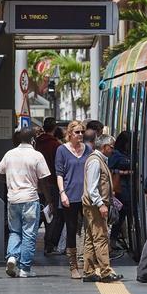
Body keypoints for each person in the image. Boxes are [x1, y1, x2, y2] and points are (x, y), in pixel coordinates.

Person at [0, 126, 50, 278]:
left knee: (15, 231)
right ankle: (25, 269)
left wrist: (10, 181)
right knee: (28, 234)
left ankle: (12, 257)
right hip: (30, 199)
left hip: (13, 199)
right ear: (33, 140)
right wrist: (50, 200)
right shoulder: (37, 155)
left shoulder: (9, 154)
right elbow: (44, 180)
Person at [82, 135, 123, 283]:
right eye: (111, 147)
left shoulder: (97, 160)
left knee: (90, 238)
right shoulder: (95, 161)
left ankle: (89, 271)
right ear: (104, 147)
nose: (112, 150)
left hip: (92, 206)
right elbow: (92, 188)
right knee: (101, 238)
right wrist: (101, 204)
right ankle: (105, 272)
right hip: (94, 206)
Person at [55, 121, 90, 279]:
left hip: (86, 195)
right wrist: (62, 193)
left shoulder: (88, 149)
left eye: (82, 132)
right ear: (70, 134)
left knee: (88, 229)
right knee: (71, 229)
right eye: (77, 132)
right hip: (70, 194)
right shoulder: (62, 150)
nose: (80, 135)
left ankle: (88, 263)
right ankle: (73, 266)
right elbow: (59, 173)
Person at [34, 117, 63, 256]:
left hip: (38, 183)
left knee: (40, 212)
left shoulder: (37, 143)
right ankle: (49, 244)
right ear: (55, 128)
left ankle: (30, 240)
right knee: (52, 214)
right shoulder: (55, 145)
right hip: (52, 182)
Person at [108, 131, 133, 250]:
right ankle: (113, 240)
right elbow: (109, 170)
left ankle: (117, 238)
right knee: (119, 214)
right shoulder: (116, 155)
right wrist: (122, 172)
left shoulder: (128, 153)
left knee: (122, 214)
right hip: (120, 190)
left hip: (128, 188)